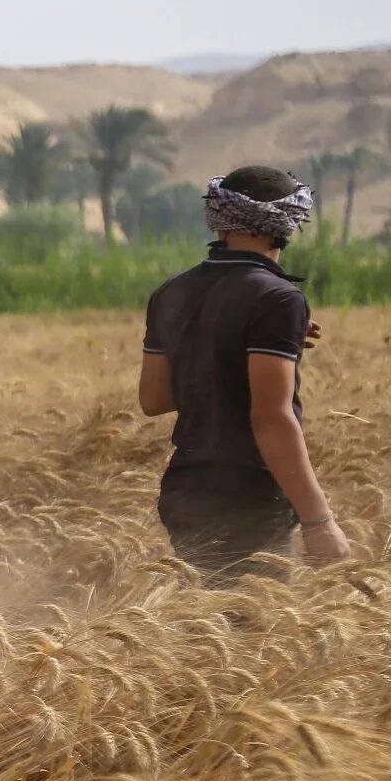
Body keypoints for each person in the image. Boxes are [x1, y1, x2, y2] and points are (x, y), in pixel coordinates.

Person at [137, 165, 351, 583]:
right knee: (254, 638)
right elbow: (271, 419)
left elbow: (154, 399)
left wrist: (228, 347)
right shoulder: (278, 298)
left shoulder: (171, 292)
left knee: (204, 631)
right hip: (249, 496)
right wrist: (318, 521)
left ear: (219, 223)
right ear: (288, 226)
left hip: (186, 490)